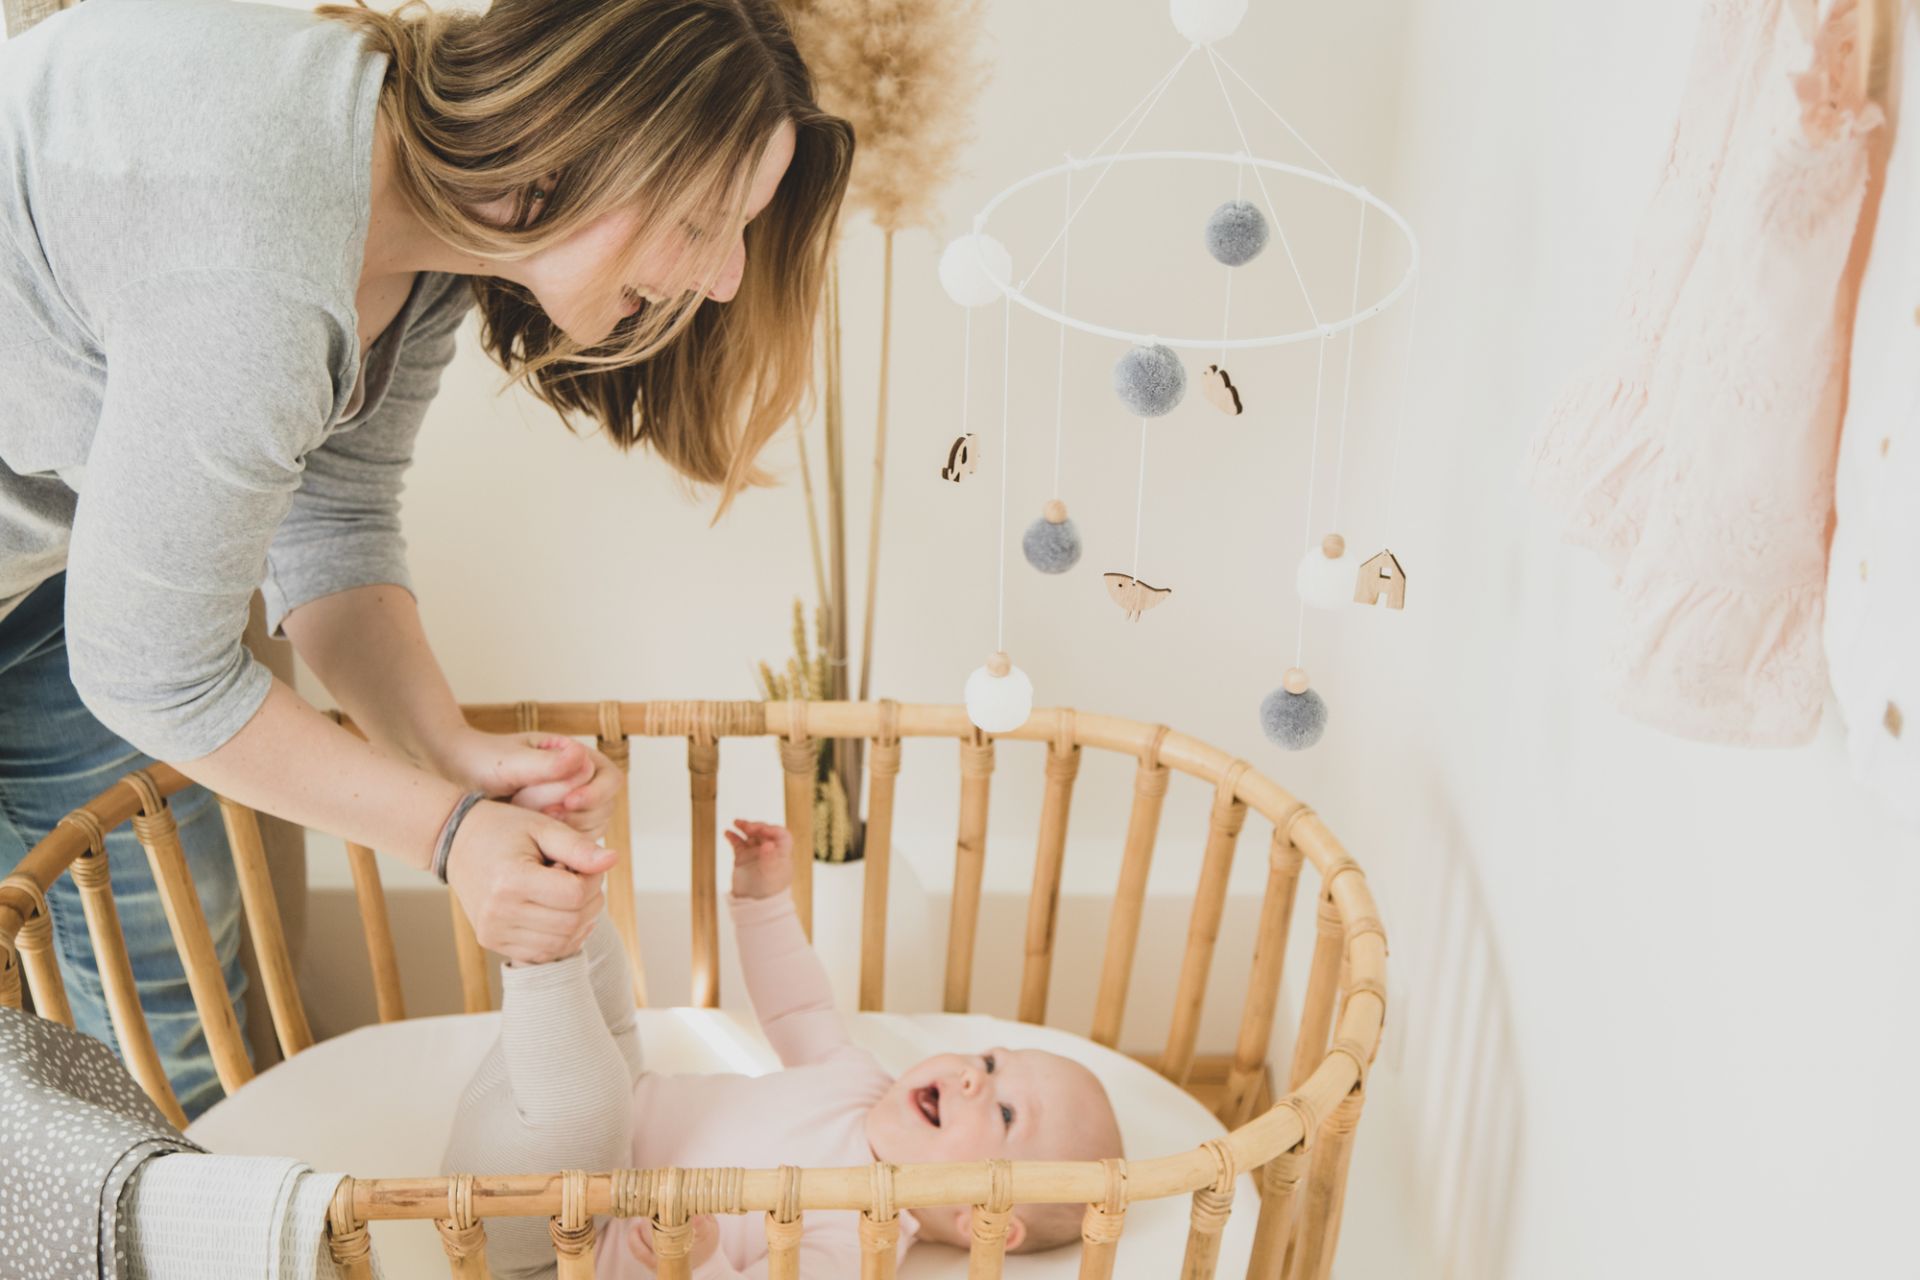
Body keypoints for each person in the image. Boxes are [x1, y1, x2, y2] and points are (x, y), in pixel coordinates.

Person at [0, 0, 852, 1118]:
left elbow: (333, 520)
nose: (730, 278)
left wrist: (447, 751)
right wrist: (452, 838)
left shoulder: (420, 221)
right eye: (704, 220)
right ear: (575, 141)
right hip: (94, 606)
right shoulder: (265, 255)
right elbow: (151, 669)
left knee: (172, 1005)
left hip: (55, 578)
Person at [444, 819, 1126, 1279]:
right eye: (988, 1062)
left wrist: (697, 1259)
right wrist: (763, 900)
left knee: (587, 1107)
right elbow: (797, 1005)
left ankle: (540, 951)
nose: (976, 1080)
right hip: (557, 1086)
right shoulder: (859, 1078)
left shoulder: (863, 1243)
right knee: (605, 962)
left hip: (548, 1228)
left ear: (984, 1220)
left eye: (1006, 1114)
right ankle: (543, 856)